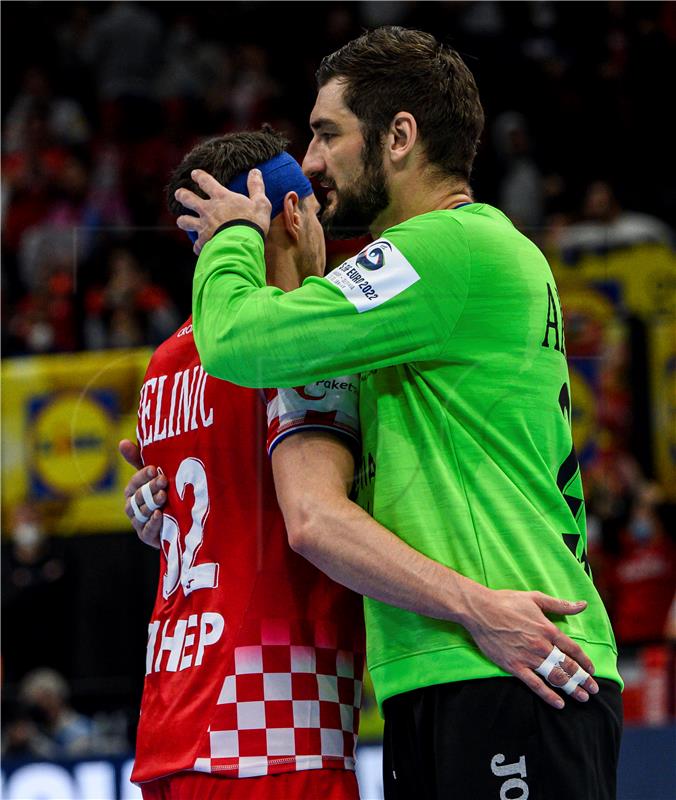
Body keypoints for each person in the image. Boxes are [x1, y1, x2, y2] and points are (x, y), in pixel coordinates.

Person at [177, 27, 623, 799]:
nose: (313, 162)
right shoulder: (433, 269)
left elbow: (239, 342)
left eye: (327, 134)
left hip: (511, 655)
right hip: (455, 661)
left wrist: (232, 240)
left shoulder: (446, 248)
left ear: (400, 136)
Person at [120, 128, 365, 800]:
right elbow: (323, 516)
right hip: (278, 736)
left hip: (169, 725)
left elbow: (206, 509)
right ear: (290, 214)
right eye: (314, 211)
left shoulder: (163, 363)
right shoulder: (301, 338)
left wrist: (152, 518)